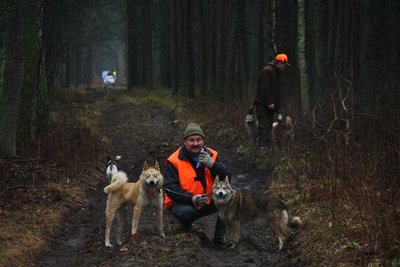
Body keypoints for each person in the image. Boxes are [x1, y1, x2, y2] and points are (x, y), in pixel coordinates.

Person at [163, 123, 230, 246]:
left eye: (198, 140)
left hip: (209, 200)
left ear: (203, 141)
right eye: (191, 140)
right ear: (185, 141)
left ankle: (220, 237)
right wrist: (192, 198)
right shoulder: (174, 160)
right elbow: (169, 188)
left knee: (231, 199)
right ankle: (188, 230)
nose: (195, 143)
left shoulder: (213, 155)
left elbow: (227, 179)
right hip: (185, 203)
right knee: (186, 213)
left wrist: (212, 165)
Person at [253, 53, 290, 149]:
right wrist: (270, 102)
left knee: (269, 126)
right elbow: (265, 88)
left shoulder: (275, 73)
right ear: (279, 63)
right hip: (262, 104)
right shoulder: (267, 71)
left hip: (269, 106)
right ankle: (261, 148)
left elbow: (276, 93)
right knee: (263, 125)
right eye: (284, 65)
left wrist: (278, 108)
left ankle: (267, 148)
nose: (285, 67)